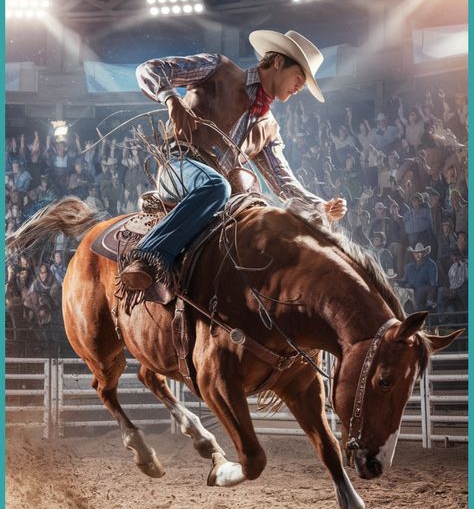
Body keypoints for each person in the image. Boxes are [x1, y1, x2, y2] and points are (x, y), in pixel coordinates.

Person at [121, 30, 347, 293]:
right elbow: (149, 70)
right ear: (277, 62)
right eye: (299, 77)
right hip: (180, 166)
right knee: (217, 187)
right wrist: (172, 100)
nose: (300, 88)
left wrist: (321, 206)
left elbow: (283, 182)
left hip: (218, 193)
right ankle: (148, 254)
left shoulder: (269, 127)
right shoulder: (218, 69)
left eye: (304, 84)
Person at [398, 242, 438, 312]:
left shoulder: (430, 264)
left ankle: (417, 311)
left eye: (420, 252)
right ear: (413, 254)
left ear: (424, 253)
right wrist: (396, 281)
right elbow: (404, 279)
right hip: (410, 292)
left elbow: (433, 284)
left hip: (424, 292)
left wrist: (430, 297)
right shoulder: (409, 267)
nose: (418, 254)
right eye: (416, 253)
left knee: (420, 293)